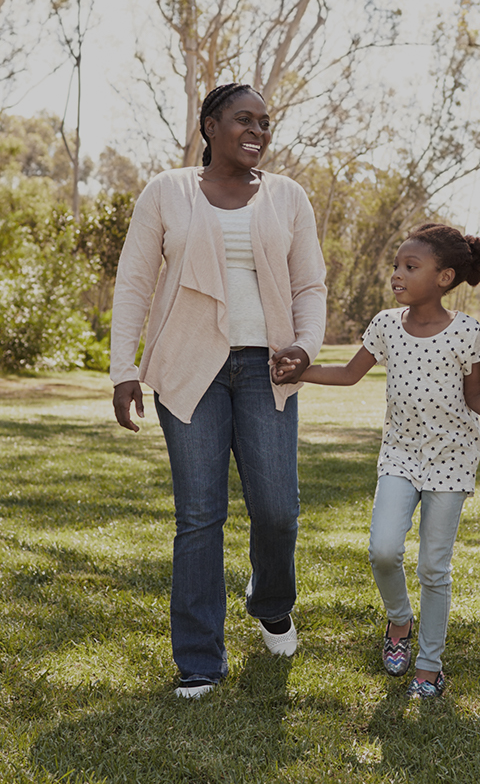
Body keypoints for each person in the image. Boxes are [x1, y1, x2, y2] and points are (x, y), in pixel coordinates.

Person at [110, 83, 327, 699]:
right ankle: (200, 659)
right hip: (188, 367)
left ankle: (271, 602)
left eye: (265, 121)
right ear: (209, 125)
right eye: (242, 120)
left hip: (269, 368)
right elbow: (134, 281)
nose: (257, 130)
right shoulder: (167, 191)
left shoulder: (289, 197)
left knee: (278, 510)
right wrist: (123, 367)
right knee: (200, 516)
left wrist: (305, 348)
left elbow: (310, 285)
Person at [273, 223, 480, 698]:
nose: (397, 275)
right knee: (383, 550)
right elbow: (350, 374)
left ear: (445, 277)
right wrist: (299, 370)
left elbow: (474, 394)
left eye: (410, 267)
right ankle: (398, 619)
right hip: (400, 454)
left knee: (435, 567)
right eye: (396, 266)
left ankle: (429, 665)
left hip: (452, 458)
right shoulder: (386, 325)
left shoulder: (468, 331)